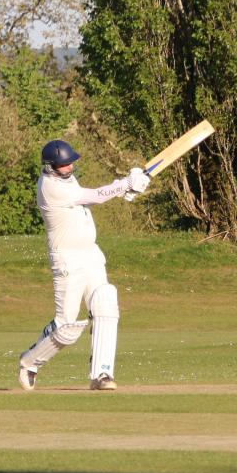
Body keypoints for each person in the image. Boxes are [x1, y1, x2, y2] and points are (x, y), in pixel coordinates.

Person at [17, 140, 150, 391]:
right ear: (50, 166)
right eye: (63, 165)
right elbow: (94, 197)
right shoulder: (49, 186)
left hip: (90, 254)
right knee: (66, 326)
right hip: (67, 259)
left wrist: (124, 189)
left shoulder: (67, 180)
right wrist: (123, 184)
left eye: (70, 163)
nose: (68, 167)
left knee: (106, 302)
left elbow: (89, 199)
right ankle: (29, 362)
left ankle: (102, 374)